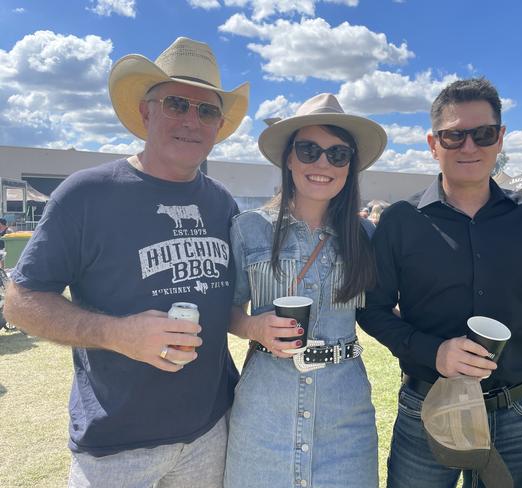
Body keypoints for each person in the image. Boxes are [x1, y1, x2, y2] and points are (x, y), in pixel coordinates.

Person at [4, 37, 249, 488]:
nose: (192, 121)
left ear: (218, 125)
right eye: (177, 103)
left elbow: (229, 306)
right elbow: (20, 301)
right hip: (115, 448)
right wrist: (118, 334)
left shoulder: (222, 204)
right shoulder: (86, 194)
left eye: (207, 110)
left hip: (211, 433)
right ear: (145, 111)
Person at [357, 78, 522, 488]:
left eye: (483, 134)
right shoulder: (400, 221)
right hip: (427, 406)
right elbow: (372, 310)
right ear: (432, 143)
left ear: (501, 138)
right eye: (454, 135)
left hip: (515, 412)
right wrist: (433, 351)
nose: (469, 147)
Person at [225, 93, 387, 488]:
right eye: (309, 149)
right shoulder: (249, 228)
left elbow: (382, 310)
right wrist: (252, 328)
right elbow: (225, 310)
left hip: (345, 413)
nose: (322, 164)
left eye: (337, 154)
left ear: (350, 166)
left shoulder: (366, 236)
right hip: (264, 410)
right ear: (289, 159)